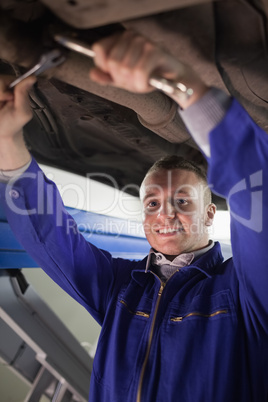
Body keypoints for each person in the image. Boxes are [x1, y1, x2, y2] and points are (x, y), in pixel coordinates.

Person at [0, 31, 268, 402]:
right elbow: (51, 239)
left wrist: (184, 85)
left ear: (210, 213)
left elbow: (258, 196)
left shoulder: (242, 290)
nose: (165, 215)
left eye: (182, 201)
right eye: (153, 203)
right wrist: (8, 142)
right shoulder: (121, 287)